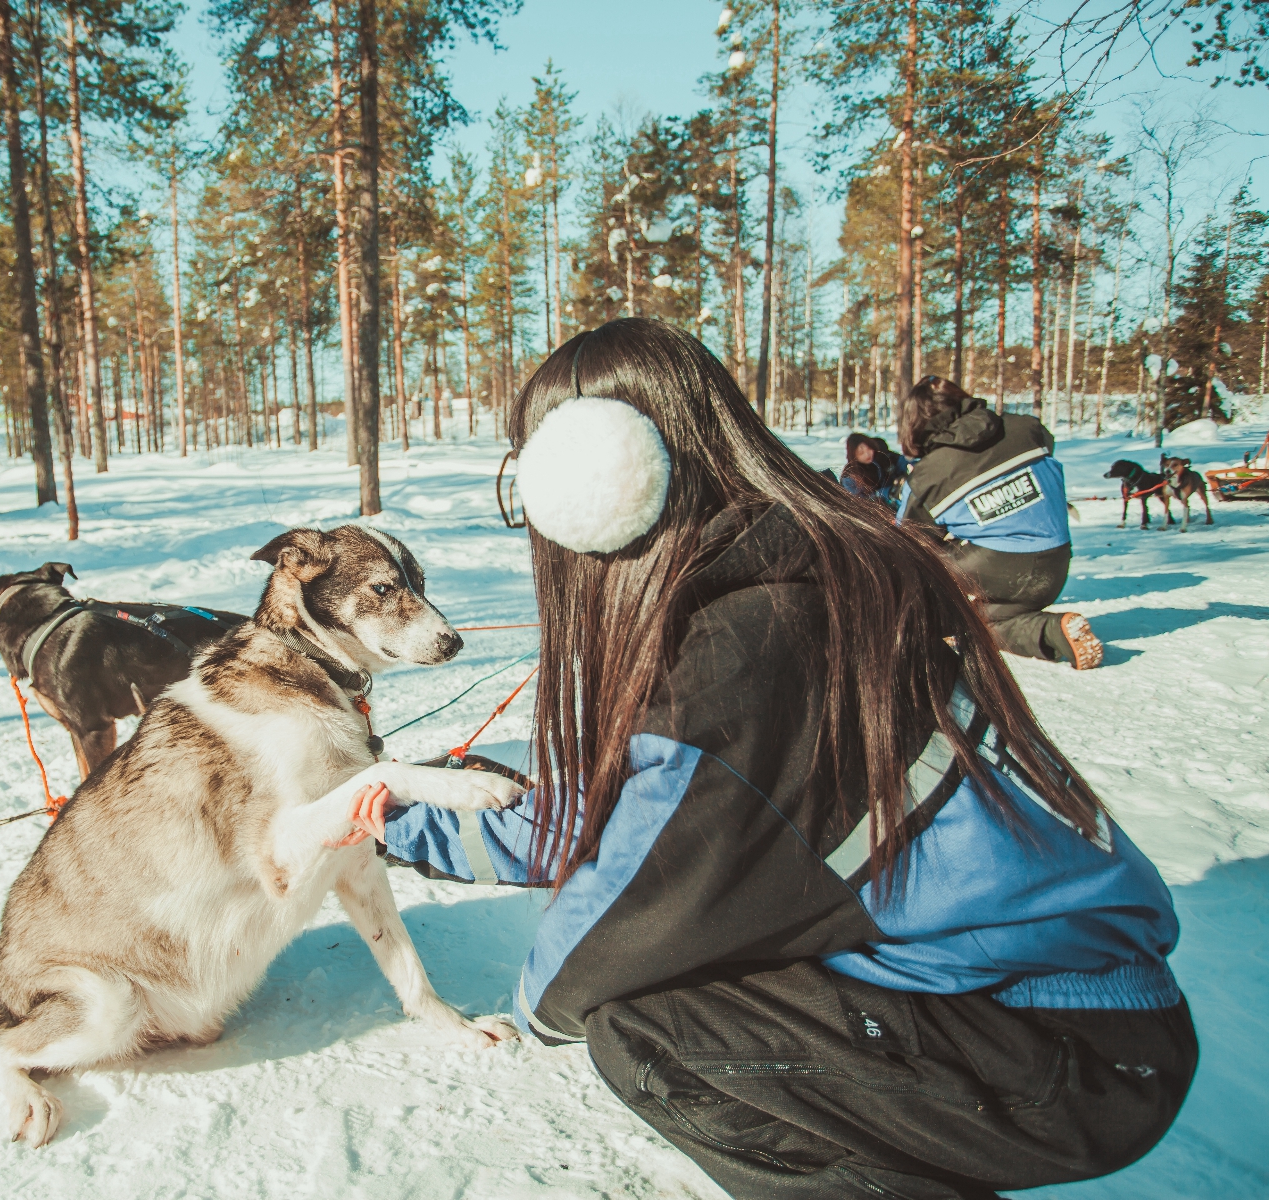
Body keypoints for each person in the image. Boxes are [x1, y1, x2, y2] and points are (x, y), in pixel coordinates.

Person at [345, 320, 1193, 1200]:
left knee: (645, 1020)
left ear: (591, 487)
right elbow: (625, 820)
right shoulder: (774, 585)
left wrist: (532, 1010)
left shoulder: (750, 647)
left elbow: (622, 918)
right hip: (1045, 1013)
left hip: (1071, 1047)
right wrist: (408, 821)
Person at [894, 377, 1101, 669]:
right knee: (993, 618)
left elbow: (907, 542)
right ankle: (1055, 632)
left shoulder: (929, 474)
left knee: (961, 609)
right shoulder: (1025, 427)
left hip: (996, 569)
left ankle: (943, 623)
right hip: (1056, 563)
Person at [840, 432, 903, 505]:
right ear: (854, 455)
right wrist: (882, 494)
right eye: (861, 453)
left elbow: (901, 461)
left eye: (869, 449)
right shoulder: (850, 476)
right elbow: (858, 501)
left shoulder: (878, 460)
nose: (867, 454)